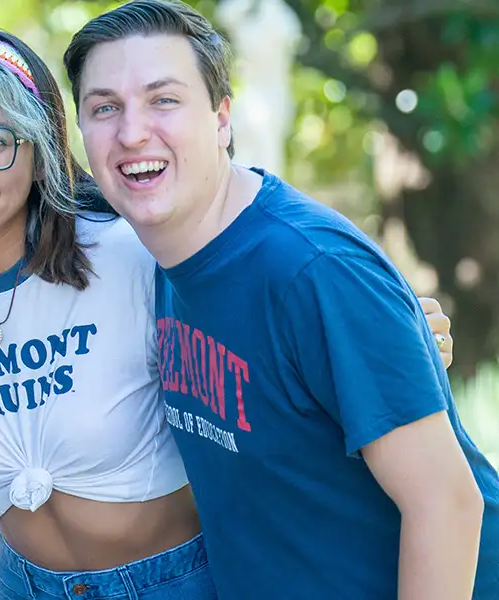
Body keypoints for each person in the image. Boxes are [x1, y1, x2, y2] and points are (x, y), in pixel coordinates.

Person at [0, 21, 462, 600]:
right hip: (24, 584)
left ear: (41, 149)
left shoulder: (133, 249)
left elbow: (268, 301)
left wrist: (402, 329)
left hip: (176, 579)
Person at [62, 1, 498, 599]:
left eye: (164, 100)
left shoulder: (312, 269)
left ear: (221, 118)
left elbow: (447, 501)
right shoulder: (153, 255)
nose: (132, 131)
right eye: (105, 107)